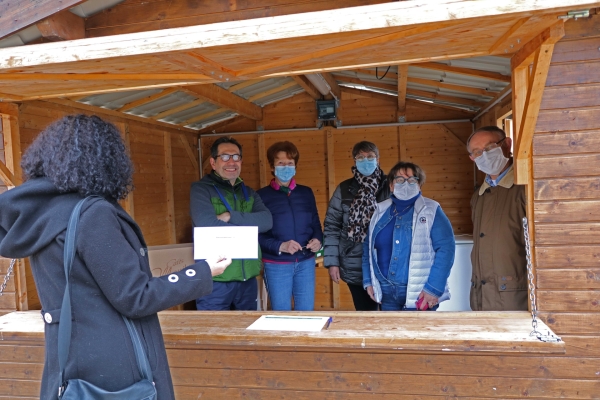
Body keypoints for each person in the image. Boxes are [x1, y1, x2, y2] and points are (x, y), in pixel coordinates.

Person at [0, 115, 231, 400]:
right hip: (115, 369)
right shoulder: (92, 213)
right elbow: (136, 297)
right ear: (103, 158)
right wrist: (202, 271)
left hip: (70, 361)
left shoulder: (43, 215)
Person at [190, 136, 272, 311]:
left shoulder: (248, 192)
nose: (231, 162)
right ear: (213, 162)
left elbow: (266, 221)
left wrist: (229, 216)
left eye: (236, 157)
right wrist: (249, 227)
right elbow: (207, 225)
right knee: (214, 336)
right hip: (215, 282)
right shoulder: (201, 189)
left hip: (247, 280)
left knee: (248, 336)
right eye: (225, 157)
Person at [362, 161, 455, 311]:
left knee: (418, 334)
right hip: (385, 291)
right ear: (391, 186)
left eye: (412, 180)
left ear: (420, 185)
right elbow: (367, 247)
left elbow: (446, 250)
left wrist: (433, 289)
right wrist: (369, 281)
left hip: (420, 291)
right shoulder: (380, 211)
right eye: (400, 180)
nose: (406, 184)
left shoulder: (432, 210)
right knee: (391, 334)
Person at [323, 141, 389, 311]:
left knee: (390, 315)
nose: (365, 160)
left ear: (378, 159)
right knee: (366, 314)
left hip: (387, 263)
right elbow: (332, 226)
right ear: (354, 161)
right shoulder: (344, 189)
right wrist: (332, 262)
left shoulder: (392, 186)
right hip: (354, 264)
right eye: (360, 157)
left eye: (370, 157)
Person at [257, 141, 323, 311]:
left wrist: (317, 240)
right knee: (281, 314)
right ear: (272, 167)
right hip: (276, 264)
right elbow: (257, 235)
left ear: (295, 166)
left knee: (307, 312)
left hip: (306, 262)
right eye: (281, 163)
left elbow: (315, 222)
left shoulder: (306, 192)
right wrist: (280, 246)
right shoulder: (261, 196)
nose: (286, 167)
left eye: (290, 163)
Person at [467, 126, 527, 311]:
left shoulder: (524, 189)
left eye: (490, 148)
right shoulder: (479, 196)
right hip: (482, 295)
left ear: (507, 145)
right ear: (472, 158)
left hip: (515, 296)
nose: (484, 155)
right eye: (477, 152)